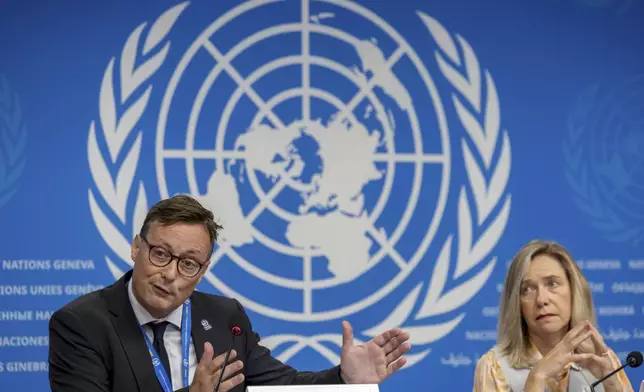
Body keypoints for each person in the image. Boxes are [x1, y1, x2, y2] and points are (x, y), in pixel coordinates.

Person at [48, 195, 411, 392]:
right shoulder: (83, 323)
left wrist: (343, 379)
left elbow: (282, 387)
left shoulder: (225, 319)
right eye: (160, 254)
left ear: (203, 271)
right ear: (135, 248)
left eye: (188, 264)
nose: (170, 275)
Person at [473, 240, 633, 392]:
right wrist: (536, 379)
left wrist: (613, 387)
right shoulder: (494, 366)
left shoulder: (602, 359)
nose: (542, 300)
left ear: (574, 291)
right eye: (527, 289)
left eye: (553, 284)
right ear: (517, 304)